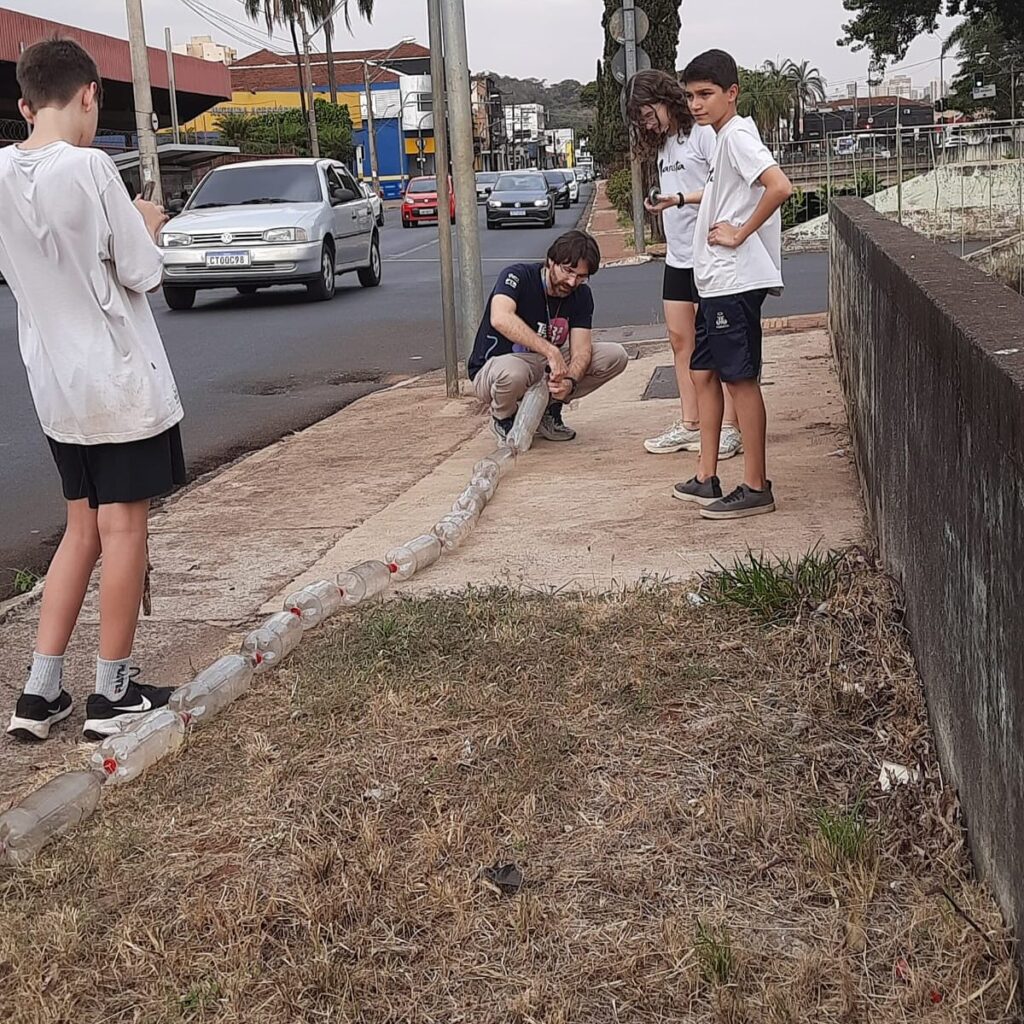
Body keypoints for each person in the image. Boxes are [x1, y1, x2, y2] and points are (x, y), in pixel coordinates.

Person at [1, 39, 183, 741]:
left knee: (81, 527)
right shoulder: (91, 167)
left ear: (23, 103)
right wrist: (147, 225)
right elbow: (142, 273)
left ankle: (39, 692)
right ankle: (112, 693)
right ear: (89, 95)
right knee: (123, 529)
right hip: (116, 381)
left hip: (54, 386)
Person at [673, 49, 793, 519]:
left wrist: (740, 233)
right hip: (716, 281)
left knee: (740, 380)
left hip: (734, 279)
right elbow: (730, 190)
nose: (697, 104)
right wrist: (682, 199)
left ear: (731, 94)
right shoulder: (722, 138)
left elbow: (779, 186)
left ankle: (756, 485)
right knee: (703, 372)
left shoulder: (739, 134)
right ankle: (706, 477)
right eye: (691, 96)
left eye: (706, 94)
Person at [625, 69, 742, 462]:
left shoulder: (702, 134)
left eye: (647, 112)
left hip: (707, 253)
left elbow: (722, 184)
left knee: (719, 342)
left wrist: (678, 199)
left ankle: (731, 428)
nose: (646, 123)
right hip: (676, 255)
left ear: (663, 99)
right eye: (640, 118)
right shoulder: (664, 144)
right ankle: (690, 422)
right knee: (680, 339)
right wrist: (665, 201)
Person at [469, 230, 628, 441]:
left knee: (614, 355)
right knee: (512, 372)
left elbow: (581, 350)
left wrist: (570, 381)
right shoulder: (518, 276)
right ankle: (503, 418)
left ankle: (548, 410)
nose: (572, 282)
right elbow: (500, 318)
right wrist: (551, 351)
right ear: (550, 261)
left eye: (581, 276)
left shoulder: (581, 295)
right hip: (496, 367)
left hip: (545, 366)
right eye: (568, 271)